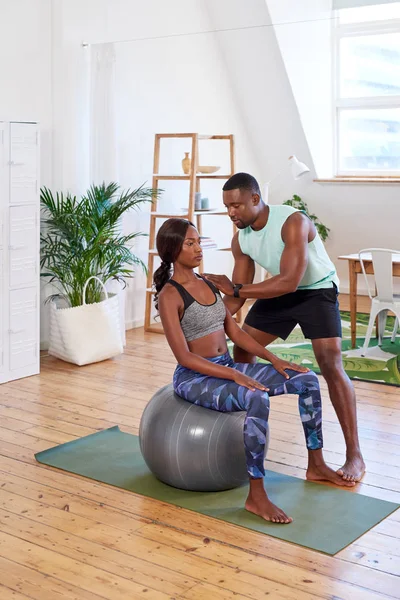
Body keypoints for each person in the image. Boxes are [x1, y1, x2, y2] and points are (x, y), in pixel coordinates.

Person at [153, 218, 355, 526]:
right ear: (171, 250)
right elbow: (183, 357)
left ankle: (316, 464)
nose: (198, 249)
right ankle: (256, 495)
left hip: (226, 368)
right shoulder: (170, 295)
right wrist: (236, 375)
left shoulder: (207, 284)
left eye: (198, 242)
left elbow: (235, 332)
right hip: (196, 377)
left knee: (307, 381)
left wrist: (274, 360)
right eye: (189, 244)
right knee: (257, 398)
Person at [203, 172, 365, 483]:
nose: (231, 213)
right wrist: (204, 318)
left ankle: (354, 455)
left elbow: (289, 280)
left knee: (330, 361)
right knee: (243, 348)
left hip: (315, 289)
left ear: (255, 199)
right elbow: (239, 294)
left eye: (236, 205)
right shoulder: (241, 238)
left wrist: (235, 290)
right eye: (227, 207)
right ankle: (236, 431)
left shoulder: (293, 221)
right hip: (277, 292)